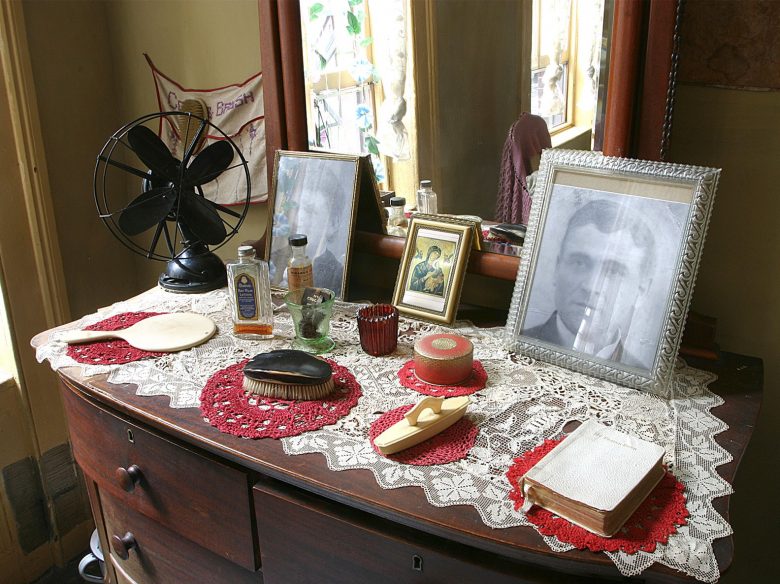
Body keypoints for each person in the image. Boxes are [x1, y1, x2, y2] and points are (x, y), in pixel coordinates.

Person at [523, 199, 656, 369]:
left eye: (614, 271)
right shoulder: (519, 346)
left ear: (641, 291)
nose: (591, 287)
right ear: (557, 268)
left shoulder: (641, 376)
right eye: (579, 263)